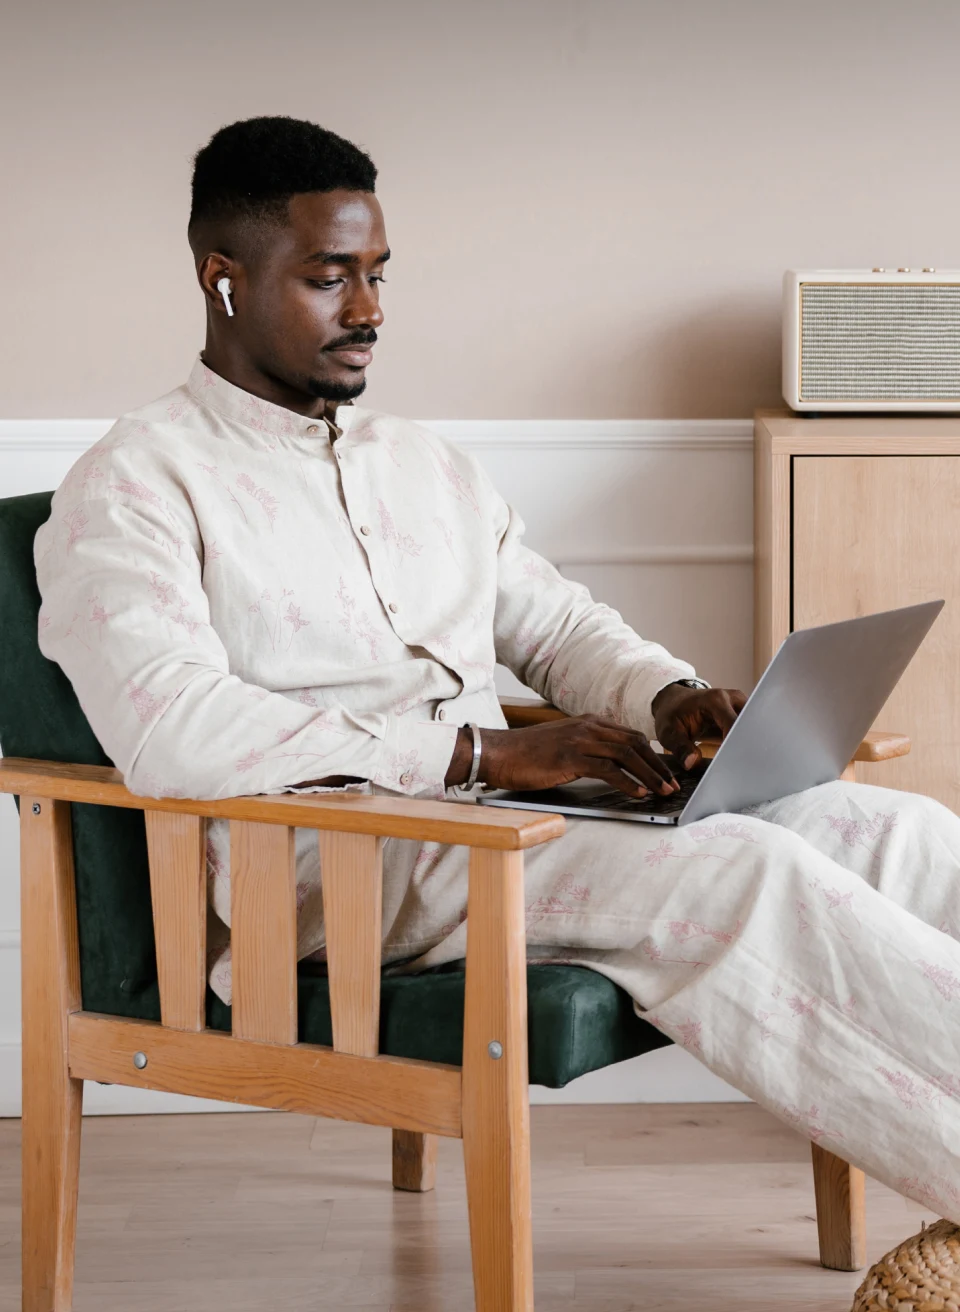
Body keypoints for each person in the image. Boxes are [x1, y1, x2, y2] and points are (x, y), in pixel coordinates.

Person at [35, 116, 960, 1231]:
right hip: (340, 868)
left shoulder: (424, 465)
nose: (370, 311)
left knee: (898, 835)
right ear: (223, 281)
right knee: (746, 871)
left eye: (377, 275)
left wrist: (672, 700)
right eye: (330, 279)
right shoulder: (134, 485)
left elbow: (559, 626)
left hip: (506, 825)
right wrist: (485, 753)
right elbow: (175, 728)